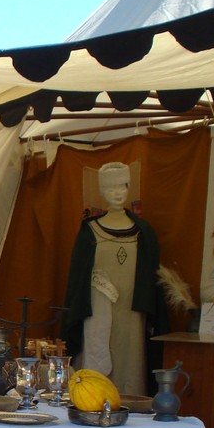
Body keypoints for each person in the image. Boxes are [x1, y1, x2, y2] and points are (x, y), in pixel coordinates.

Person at [61, 162, 167, 396]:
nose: (117, 193)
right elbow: (78, 278)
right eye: (110, 188)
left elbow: (152, 276)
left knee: (131, 357)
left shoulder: (143, 231)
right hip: (97, 307)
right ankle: (93, 397)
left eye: (122, 187)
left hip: (132, 310)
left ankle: (132, 400)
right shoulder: (90, 230)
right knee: (98, 349)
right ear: (102, 191)